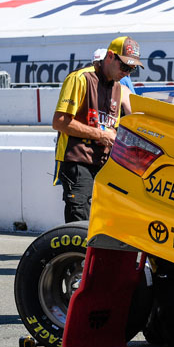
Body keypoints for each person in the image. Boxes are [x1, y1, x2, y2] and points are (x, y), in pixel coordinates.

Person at [53, 36, 139, 222]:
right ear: (109, 56)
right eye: (124, 66)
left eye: (132, 69)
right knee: (81, 222)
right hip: (76, 160)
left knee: (104, 223)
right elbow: (59, 122)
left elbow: (115, 125)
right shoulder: (80, 78)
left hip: (103, 164)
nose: (127, 72)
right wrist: (101, 134)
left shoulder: (118, 88)